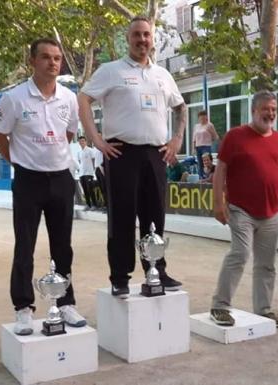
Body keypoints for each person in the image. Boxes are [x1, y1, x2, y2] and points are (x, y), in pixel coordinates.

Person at [78, 16, 187, 298]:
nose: (142, 40)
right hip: (121, 152)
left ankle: (157, 270)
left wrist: (177, 140)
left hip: (156, 153)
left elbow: (181, 107)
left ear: (153, 40)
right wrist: (97, 139)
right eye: (137, 35)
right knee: (122, 217)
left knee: (155, 216)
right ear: (128, 39)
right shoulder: (110, 71)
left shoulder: (163, 75)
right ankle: (120, 276)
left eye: (147, 35)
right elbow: (83, 99)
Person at [0, 37, 86, 335]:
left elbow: (69, 134)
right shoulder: (14, 98)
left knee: (63, 247)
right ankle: (23, 308)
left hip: (61, 179)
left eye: (57, 58)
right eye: (45, 57)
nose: (53, 63)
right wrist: (18, 161)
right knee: (25, 247)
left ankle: (65, 302)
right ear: (32, 61)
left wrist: (52, 156)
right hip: (28, 181)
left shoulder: (69, 98)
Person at [210, 91, 278, 328]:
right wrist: (218, 203)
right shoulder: (235, 137)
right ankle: (220, 306)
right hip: (240, 209)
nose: (270, 114)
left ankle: (264, 310)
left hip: (271, 212)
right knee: (240, 254)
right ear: (254, 111)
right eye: (266, 109)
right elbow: (221, 170)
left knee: (267, 263)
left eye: (274, 110)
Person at [192, 110, 219, 178]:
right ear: (199, 118)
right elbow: (194, 139)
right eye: (201, 118)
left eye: (204, 118)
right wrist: (193, 148)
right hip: (198, 147)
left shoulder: (209, 125)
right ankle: (201, 177)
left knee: (206, 163)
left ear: (206, 117)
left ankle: (208, 177)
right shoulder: (196, 126)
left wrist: (210, 140)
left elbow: (216, 136)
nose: (202, 120)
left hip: (206, 146)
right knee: (200, 163)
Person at [77, 136, 97, 210]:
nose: (81, 142)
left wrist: (93, 170)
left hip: (89, 173)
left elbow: (93, 160)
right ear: (79, 143)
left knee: (90, 189)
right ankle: (88, 205)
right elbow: (80, 162)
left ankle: (94, 204)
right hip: (81, 174)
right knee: (85, 190)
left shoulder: (90, 150)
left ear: (85, 141)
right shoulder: (79, 152)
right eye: (80, 141)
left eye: (83, 141)